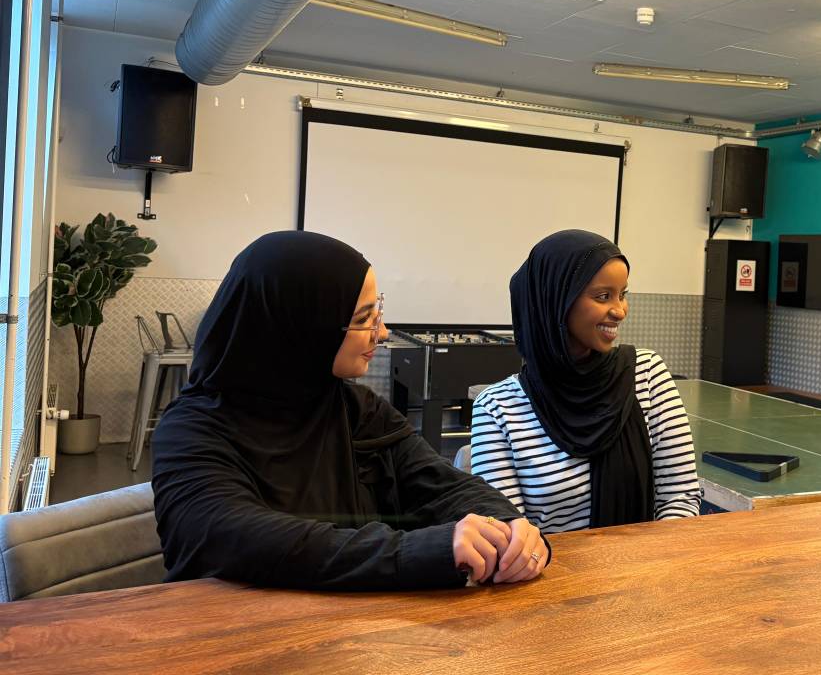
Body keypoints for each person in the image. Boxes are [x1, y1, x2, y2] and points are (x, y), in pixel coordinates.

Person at [151, 231, 547, 589]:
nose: (383, 331)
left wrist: (506, 525)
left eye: (378, 311)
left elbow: (440, 483)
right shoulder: (191, 430)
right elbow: (244, 539)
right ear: (300, 329)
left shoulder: (356, 410)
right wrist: (426, 549)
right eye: (363, 319)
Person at [470, 230, 700, 533]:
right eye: (603, 296)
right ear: (556, 300)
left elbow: (680, 499)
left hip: (643, 571)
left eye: (623, 294)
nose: (619, 311)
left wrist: (646, 568)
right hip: (549, 576)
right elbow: (508, 534)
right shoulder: (498, 408)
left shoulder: (646, 374)